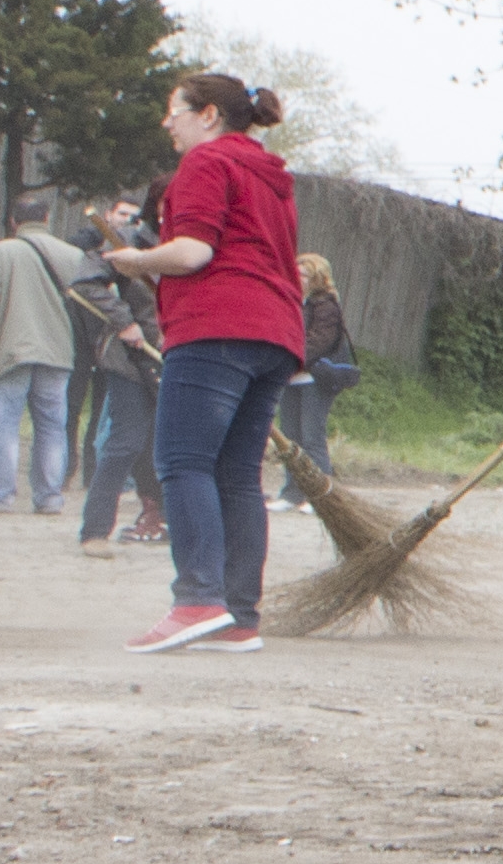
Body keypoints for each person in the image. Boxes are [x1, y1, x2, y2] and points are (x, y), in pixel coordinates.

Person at [96, 77, 302, 648]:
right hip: (276, 334)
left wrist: (138, 260)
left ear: (208, 114)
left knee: (182, 462)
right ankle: (238, 618)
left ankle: (196, 601)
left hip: (216, 327)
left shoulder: (206, 163)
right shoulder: (271, 175)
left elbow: (193, 252)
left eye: (174, 112)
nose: (168, 124)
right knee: (238, 475)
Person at [0, 193, 85, 516]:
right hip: (57, 352)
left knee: (5, 424)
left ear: (13, 221)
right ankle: (49, 497)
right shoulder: (73, 255)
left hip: (11, 350)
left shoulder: (1, 253)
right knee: (53, 426)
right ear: (47, 218)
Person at [67, 190, 164, 557]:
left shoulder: (198, 246)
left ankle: (159, 518)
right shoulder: (128, 241)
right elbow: (86, 282)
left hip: (178, 358)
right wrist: (125, 322)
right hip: (132, 359)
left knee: (163, 446)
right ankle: (95, 531)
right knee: (125, 441)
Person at [273, 250, 359, 504]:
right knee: (290, 440)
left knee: (312, 438)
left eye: (305, 274)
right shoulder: (290, 301)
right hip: (290, 379)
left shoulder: (326, 307)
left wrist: (290, 361)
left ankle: (323, 498)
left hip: (313, 380)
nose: (298, 277)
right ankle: (292, 493)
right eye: (296, 272)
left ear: (317, 279)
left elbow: (318, 342)